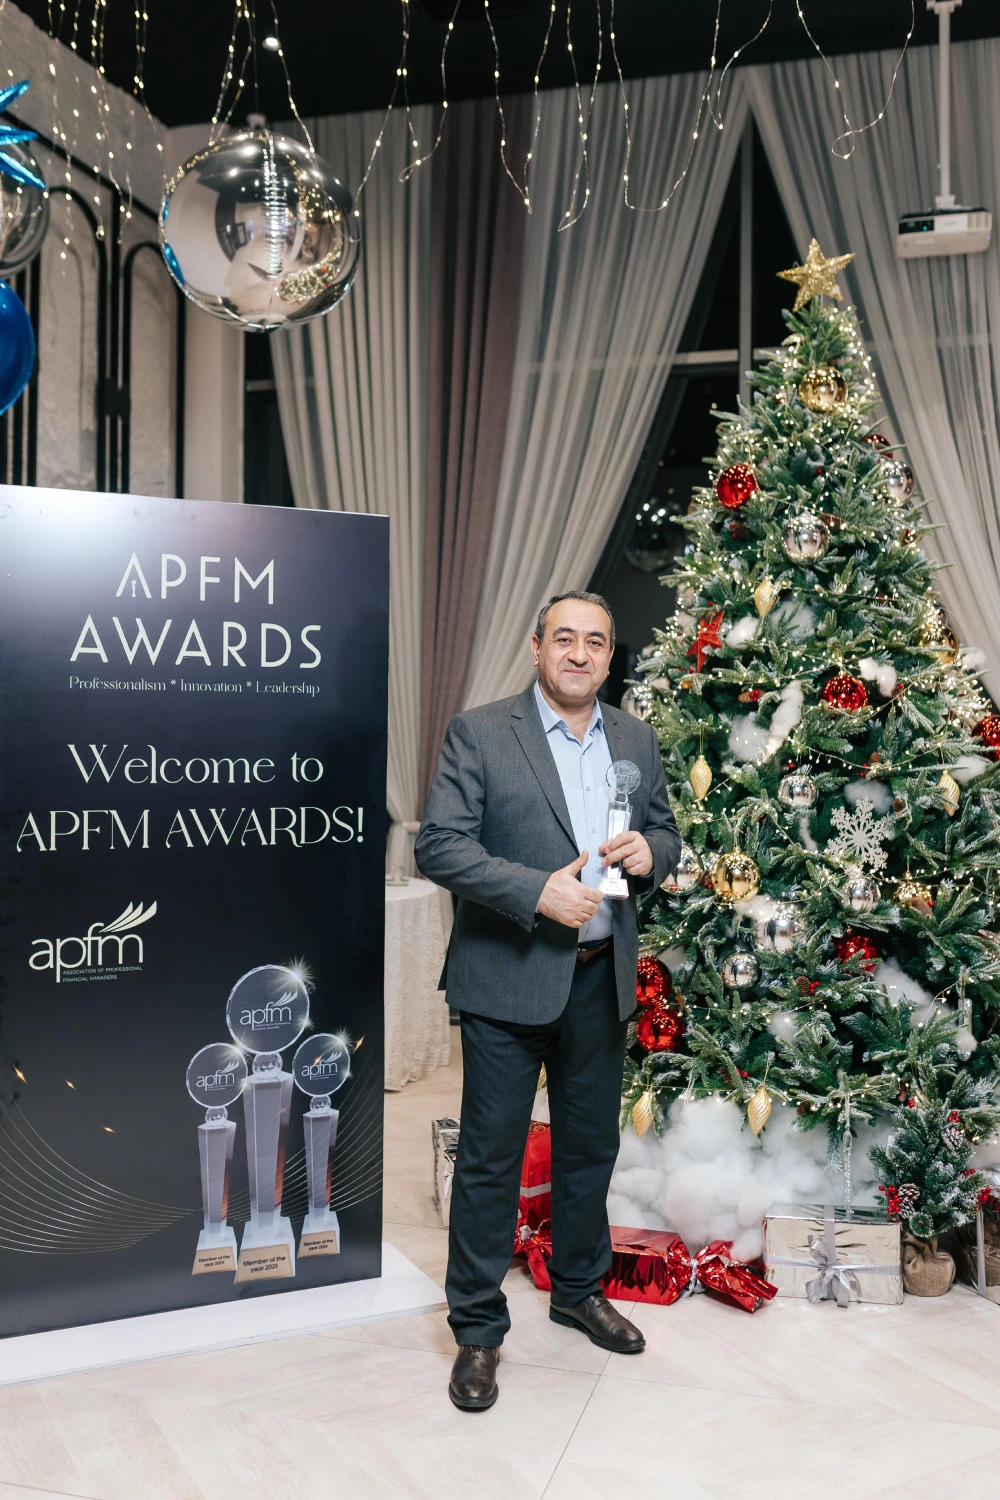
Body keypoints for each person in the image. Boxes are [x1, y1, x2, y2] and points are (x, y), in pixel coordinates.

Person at [415, 591, 680, 1411]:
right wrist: (536, 891)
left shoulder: (634, 738)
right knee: (490, 1161)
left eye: (595, 641)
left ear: (609, 656)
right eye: (564, 638)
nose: (579, 653)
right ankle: (477, 1330)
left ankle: (577, 1291)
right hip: (507, 978)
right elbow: (440, 845)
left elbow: (666, 833)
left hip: (601, 978)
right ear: (537, 648)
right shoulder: (480, 732)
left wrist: (652, 853)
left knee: (588, 1150)